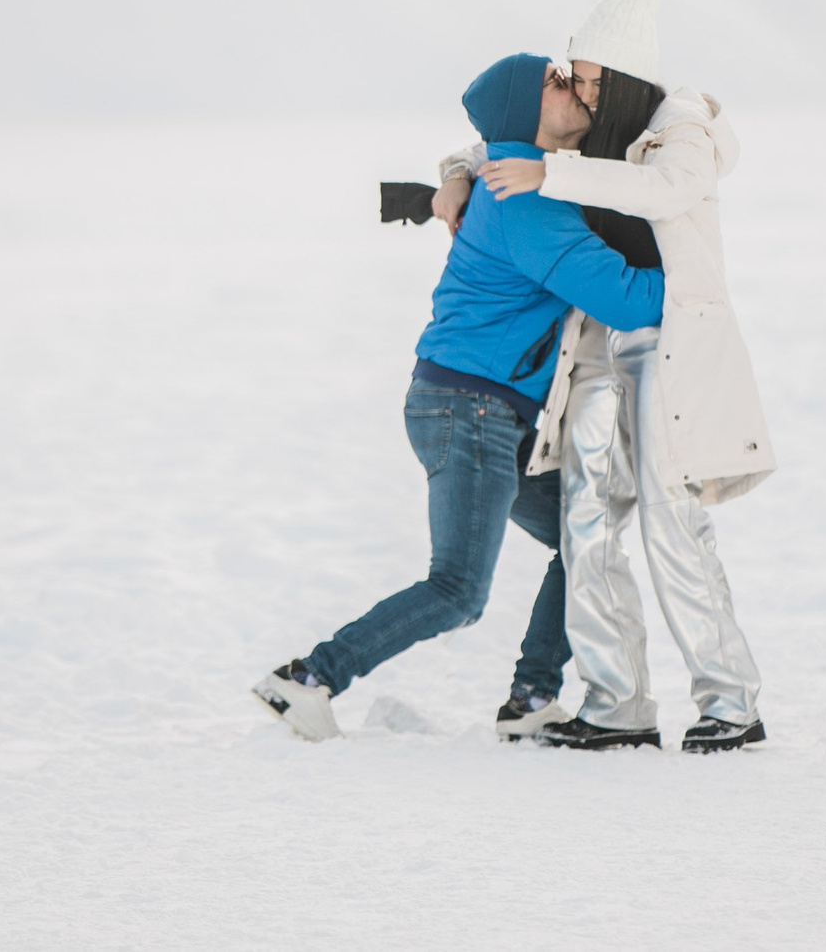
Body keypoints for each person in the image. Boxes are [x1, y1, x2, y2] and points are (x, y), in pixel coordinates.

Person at [252, 53, 665, 743]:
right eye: (555, 83)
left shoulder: (515, 174)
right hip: (469, 409)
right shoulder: (530, 206)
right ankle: (308, 679)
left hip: (474, 406)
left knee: (582, 537)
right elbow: (631, 299)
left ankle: (531, 698)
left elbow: (476, 151)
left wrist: (454, 176)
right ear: (522, 116)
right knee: (457, 589)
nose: (571, 87)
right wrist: (690, 249)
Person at [433, 0, 776, 753]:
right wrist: (456, 171)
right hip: (595, 349)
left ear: (621, 81)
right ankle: (616, 701)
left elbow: (665, 193)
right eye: (574, 78)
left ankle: (731, 699)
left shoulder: (675, 126)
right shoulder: (586, 141)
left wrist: (548, 170)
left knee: (669, 518)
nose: (579, 91)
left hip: (669, 344)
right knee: (587, 521)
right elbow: (497, 140)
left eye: (589, 79)